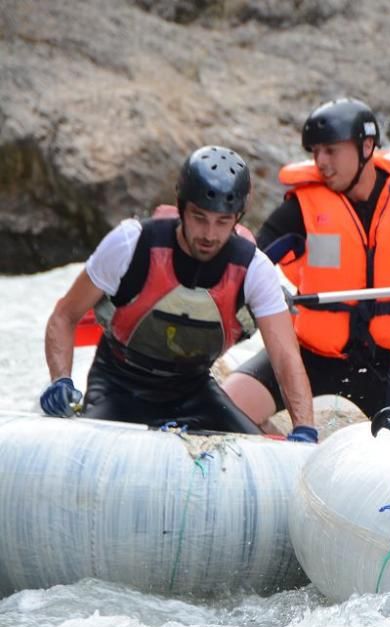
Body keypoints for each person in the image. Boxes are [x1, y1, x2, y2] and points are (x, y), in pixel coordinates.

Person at [222, 98, 390, 429]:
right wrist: (267, 288)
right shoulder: (302, 208)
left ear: (367, 147)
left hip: (385, 367)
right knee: (224, 412)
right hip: (308, 356)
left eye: (331, 151)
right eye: (315, 152)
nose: (321, 162)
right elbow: (248, 261)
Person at [41, 145, 317, 441]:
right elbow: (64, 316)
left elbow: (285, 356)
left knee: (257, 447)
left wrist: (304, 428)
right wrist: (60, 381)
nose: (210, 234)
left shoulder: (254, 269)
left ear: (238, 217)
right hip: (119, 386)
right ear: (181, 206)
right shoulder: (130, 243)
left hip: (193, 392)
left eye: (223, 222)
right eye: (200, 217)